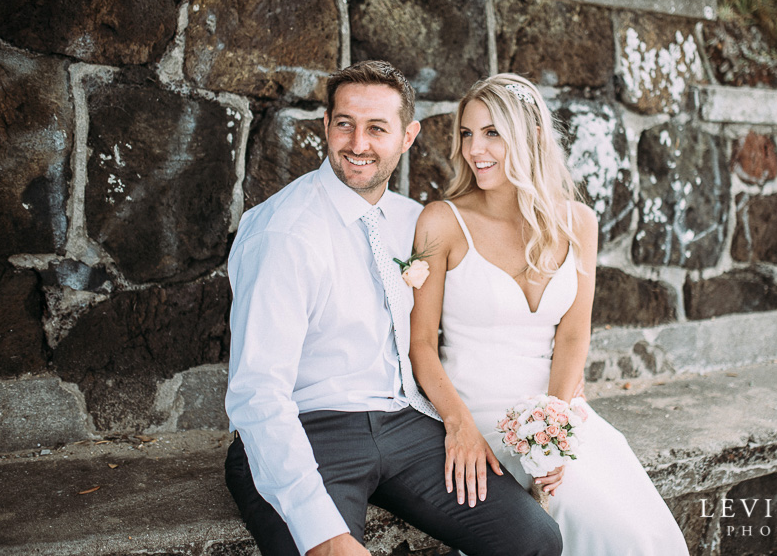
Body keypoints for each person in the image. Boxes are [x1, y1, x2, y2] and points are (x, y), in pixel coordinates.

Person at [224, 61, 563, 556]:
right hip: (311, 428)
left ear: (407, 137)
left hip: (406, 423)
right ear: (326, 126)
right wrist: (323, 533)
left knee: (533, 540)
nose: (357, 143)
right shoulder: (284, 234)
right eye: (344, 123)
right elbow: (258, 394)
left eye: (376, 128)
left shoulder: (413, 222)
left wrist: (458, 421)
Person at [409, 74, 690, 556]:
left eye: (493, 132)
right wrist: (459, 425)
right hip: (477, 415)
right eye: (467, 133)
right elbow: (420, 345)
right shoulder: (442, 221)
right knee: (606, 535)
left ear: (532, 135)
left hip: (557, 413)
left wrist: (556, 432)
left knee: (648, 538)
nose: (476, 148)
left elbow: (574, 337)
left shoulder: (578, 222)